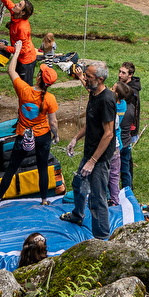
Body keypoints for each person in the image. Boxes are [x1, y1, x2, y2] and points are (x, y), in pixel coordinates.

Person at [0, 39, 59, 206]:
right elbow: (53, 123)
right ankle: (44, 200)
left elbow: (11, 70)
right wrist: (56, 136)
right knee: (43, 168)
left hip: (24, 136)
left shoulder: (24, 89)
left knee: (13, 166)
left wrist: (17, 51)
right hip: (43, 136)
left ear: (38, 77)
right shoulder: (50, 99)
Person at [62, 61, 117, 238]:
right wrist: (75, 138)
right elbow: (92, 122)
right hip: (89, 152)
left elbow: (108, 134)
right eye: (85, 75)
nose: (85, 78)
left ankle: (101, 237)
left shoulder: (107, 100)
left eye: (88, 76)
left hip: (99, 158)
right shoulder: (94, 92)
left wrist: (93, 162)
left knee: (97, 198)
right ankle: (78, 215)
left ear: (100, 79)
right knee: (78, 184)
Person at [0, 0, 37, 86]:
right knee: (18, 86)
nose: (16, 5)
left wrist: (5, 48)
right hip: (19, 58)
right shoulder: (15, 12)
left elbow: (22, 51)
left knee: (25, 88)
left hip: (26, 61)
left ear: (22, 12)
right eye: (18, 3)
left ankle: (31, 105)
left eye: (19, 5)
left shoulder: (23, 28)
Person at [118, 60, 141, 190]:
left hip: (128, 129)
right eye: (120, 71)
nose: (120, 74)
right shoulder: (125, 86)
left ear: (130, 75)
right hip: (126, 129)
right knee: (126, 159)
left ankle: (128, 187)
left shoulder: (131, 92)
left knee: (126, 160)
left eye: (124, 73)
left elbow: (130, 114)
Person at [108, 80, 130, 205]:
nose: (110, 89)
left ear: (116, 94)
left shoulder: (112, 105)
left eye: (112, 88)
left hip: (110, 141)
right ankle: (115, 199)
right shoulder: (124, 105)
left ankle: (106, 197)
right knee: (115, 174)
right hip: (118, 141)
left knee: (106, 173)